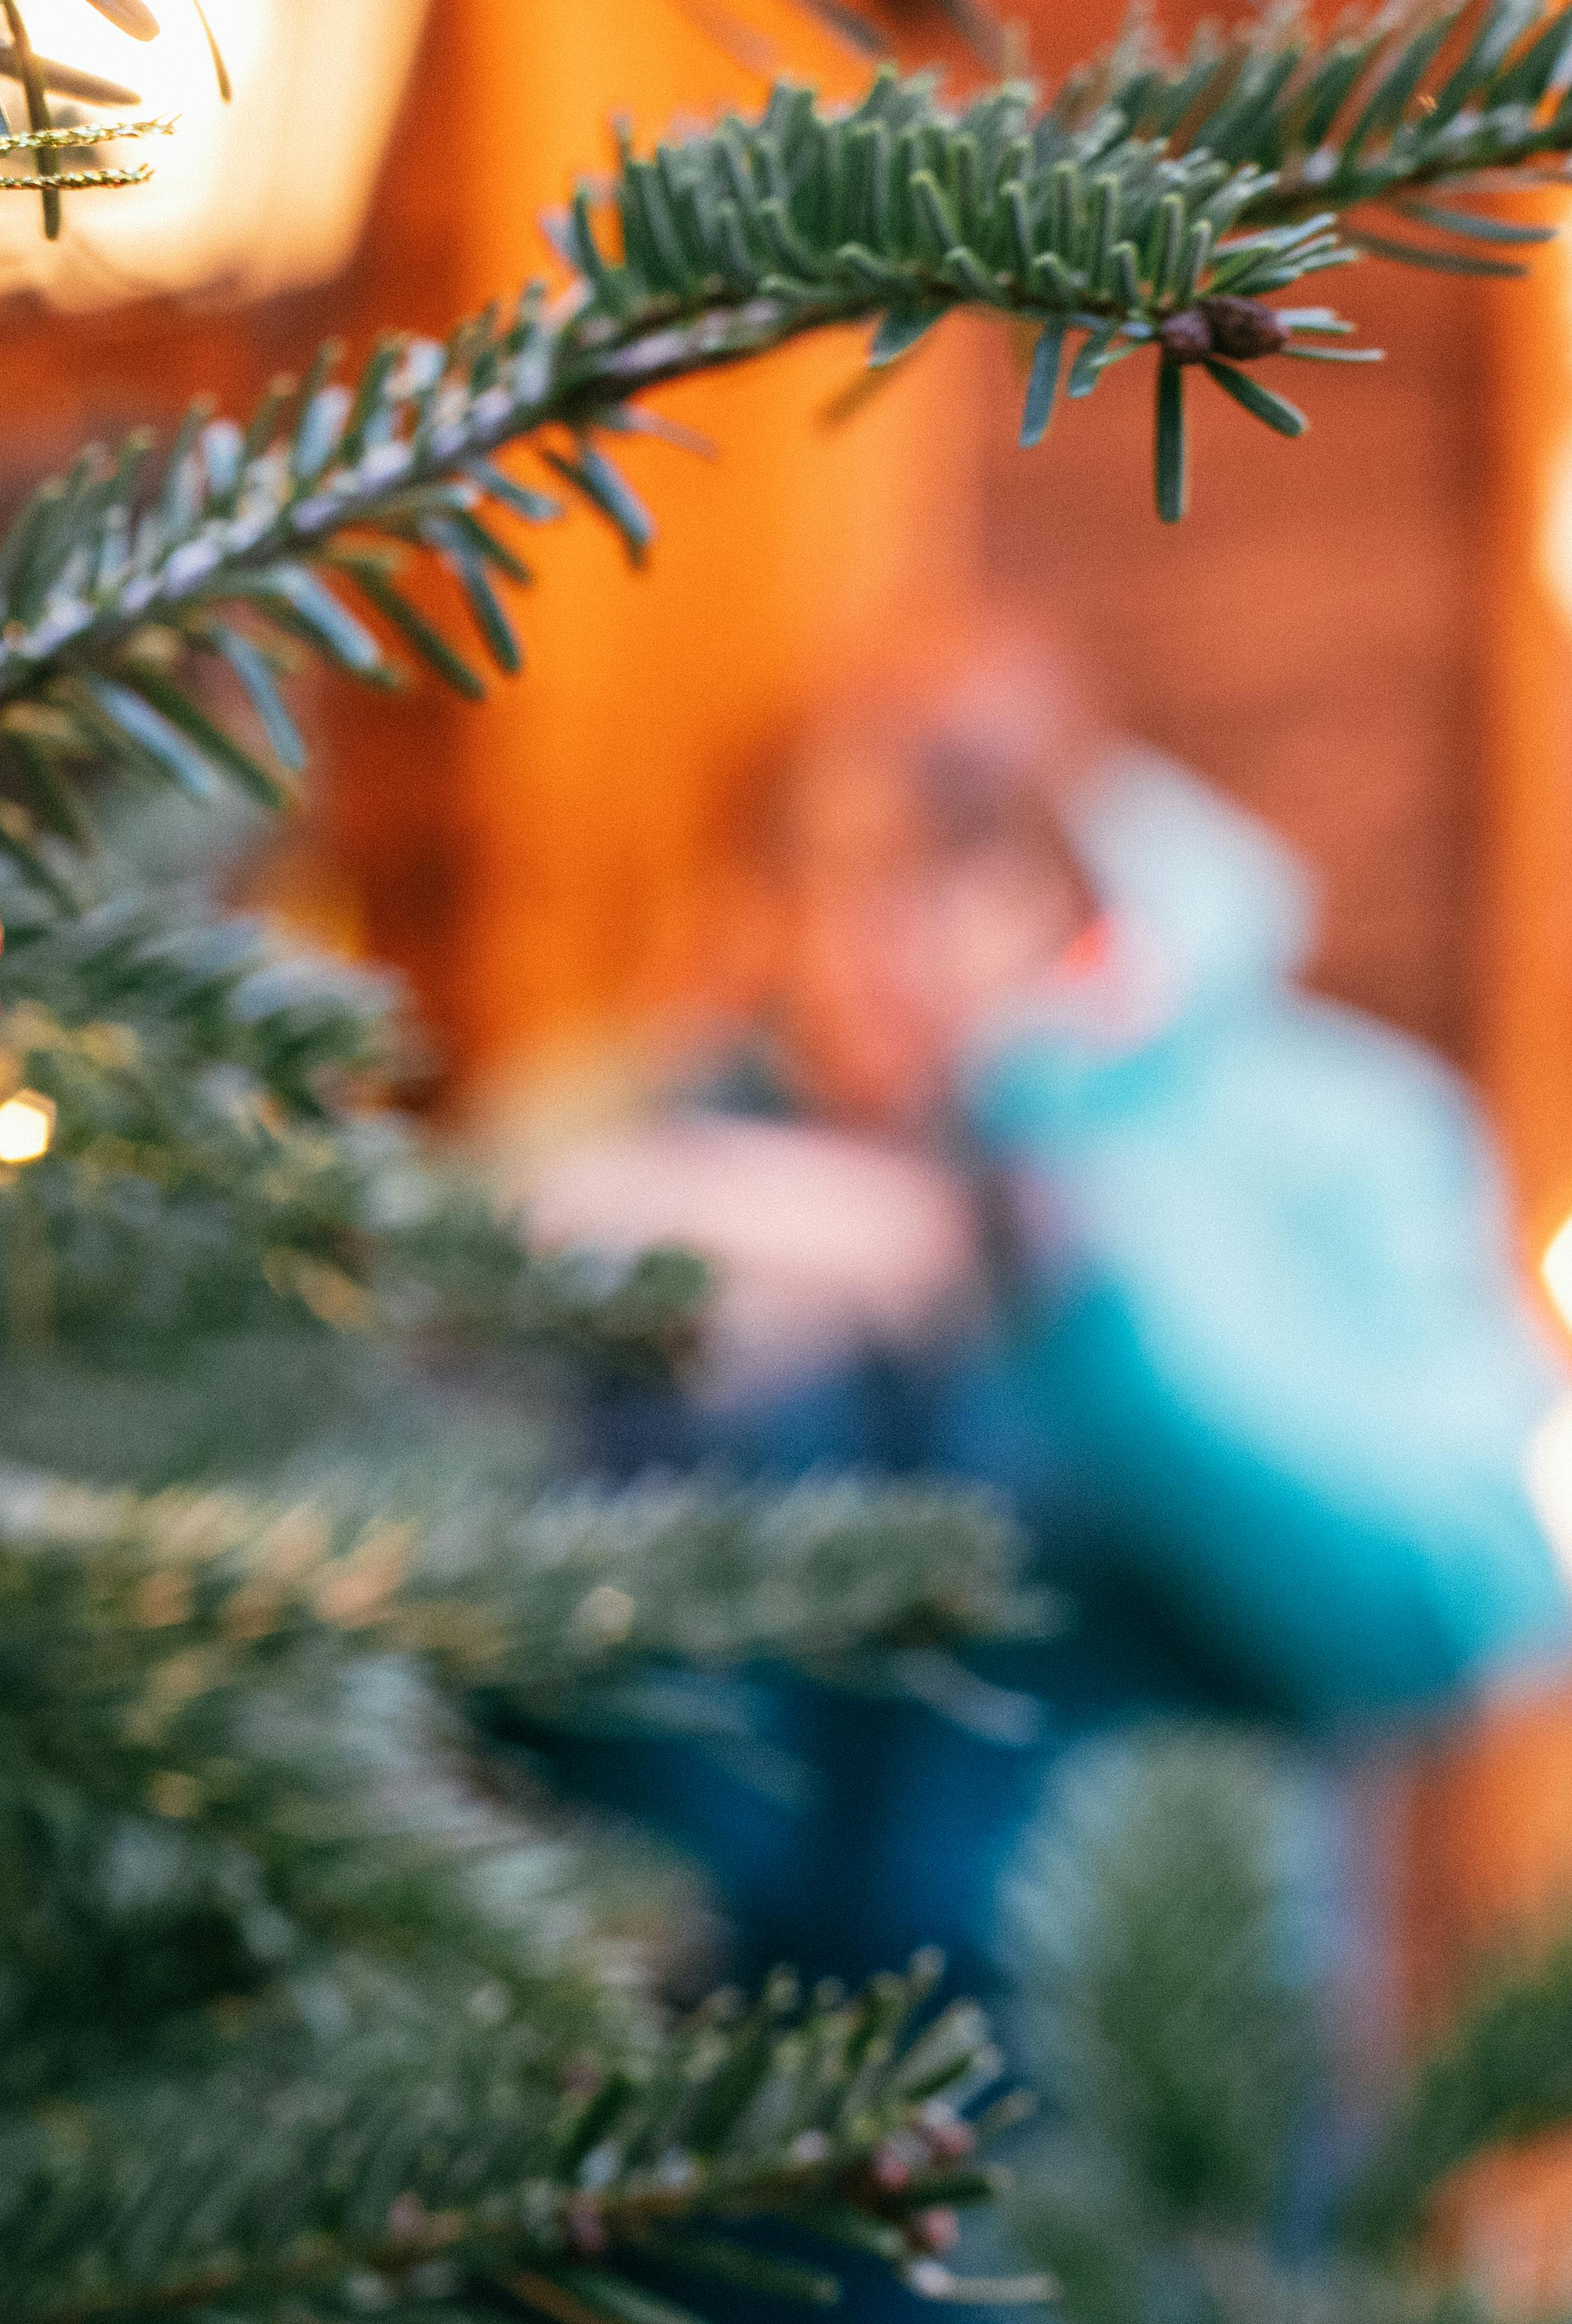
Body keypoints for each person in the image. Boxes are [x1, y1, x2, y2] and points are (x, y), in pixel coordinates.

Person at [518, 624, 1571, 2005]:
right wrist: (568, 1315)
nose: (871, 950)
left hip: (1160, 2085)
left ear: (1067, 889)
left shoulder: (1315, 1139)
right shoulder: (653, 1151)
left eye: (945, 875)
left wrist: (1047, 1276)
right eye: (823, 879)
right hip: (692, 2084)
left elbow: (1453, 1597)